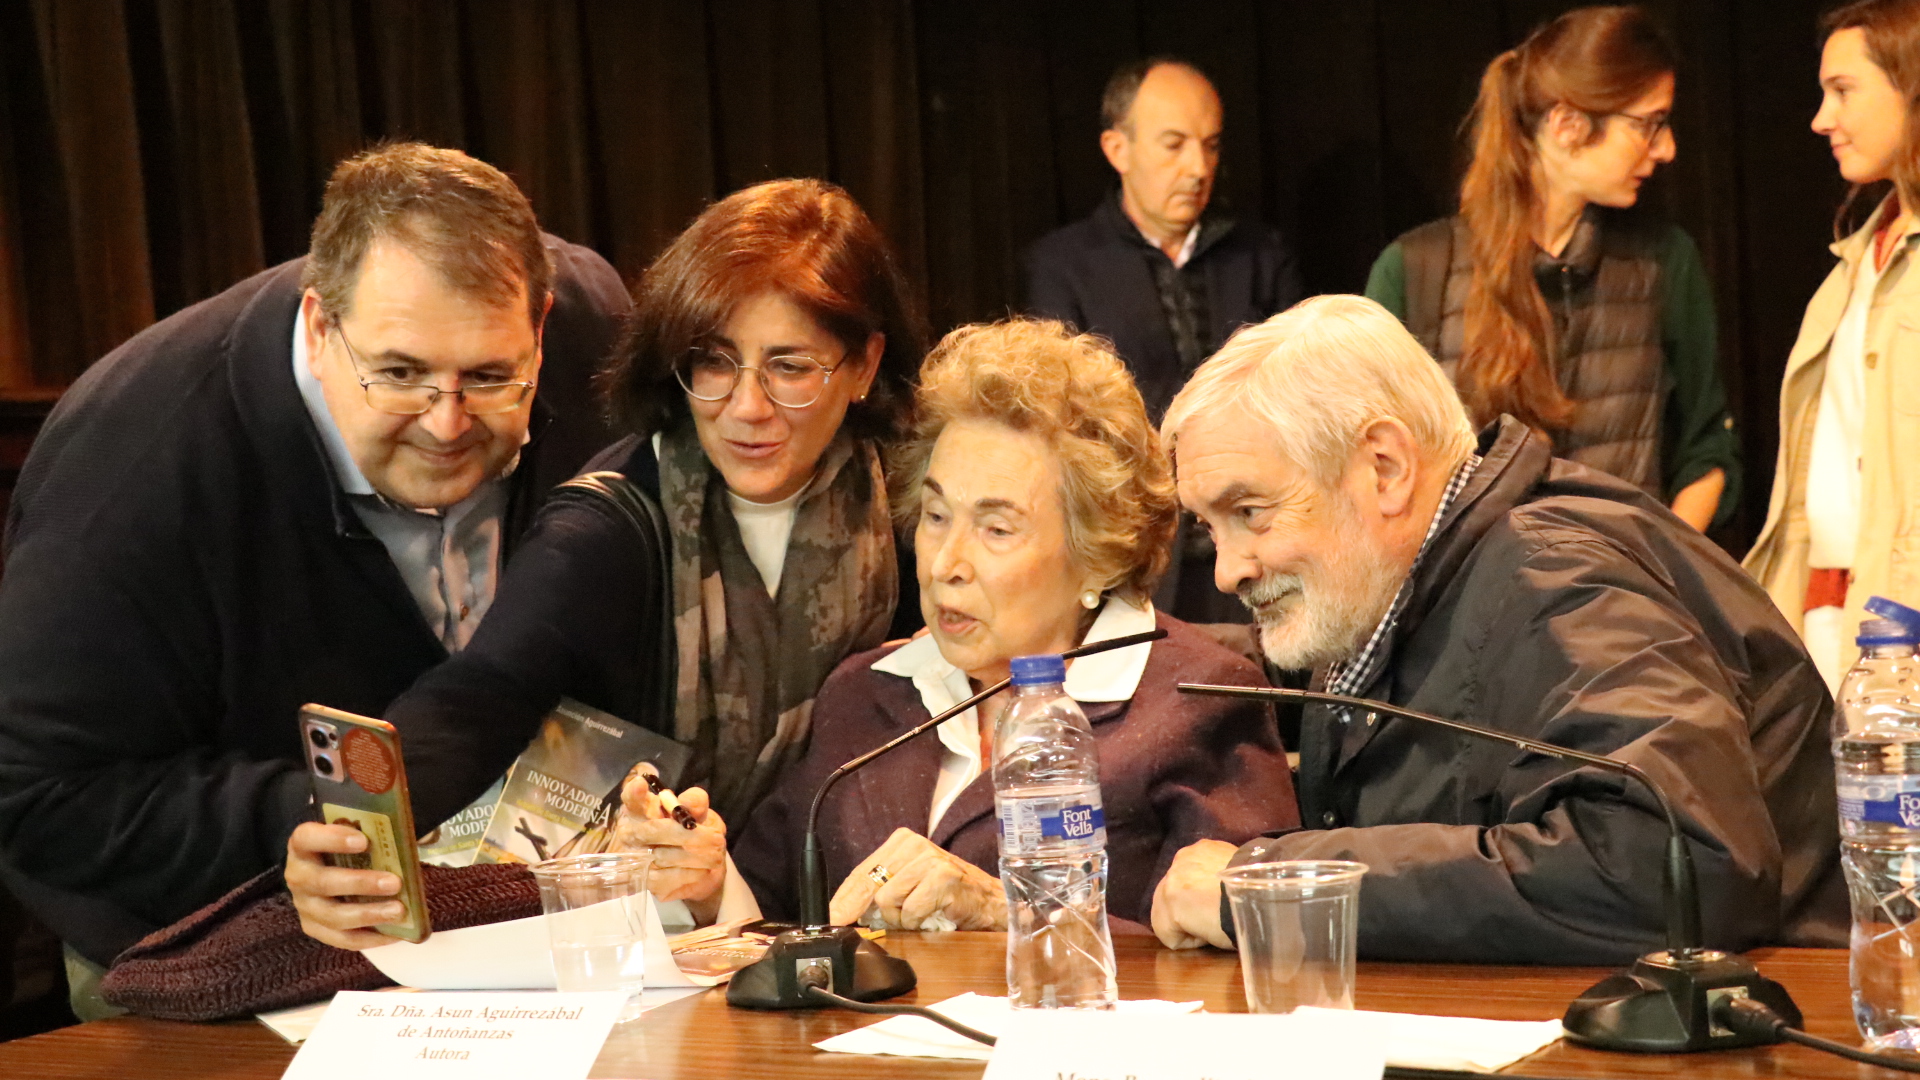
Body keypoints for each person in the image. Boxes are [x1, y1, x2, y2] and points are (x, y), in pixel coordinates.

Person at [0, 143, 629, 996]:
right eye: (400, 375)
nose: (446, 425)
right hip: (207, 944)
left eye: (488, 378)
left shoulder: (600, 331)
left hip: (517, 918)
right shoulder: (134, 468)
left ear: (542, 323)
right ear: (321, 324)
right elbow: (34, 795)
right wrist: (311, 822)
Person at [287, 178, 926, 949]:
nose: (747, 407)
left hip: (865, 918)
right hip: (635, 941)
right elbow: (471, 704)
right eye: (714, 362)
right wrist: (343, 840)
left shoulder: (910, 501)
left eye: (789, 367)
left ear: (862, 367)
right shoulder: (604, 532)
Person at [1149, 295, 1842, 964]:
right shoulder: (1378, 594)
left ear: (1384, 468)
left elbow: (1674, 860)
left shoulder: (1558, 578)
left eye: (1251, 511)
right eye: (1212, 529)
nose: (1228, 570)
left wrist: (1279, 884)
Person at [730, 319, 1298, 930]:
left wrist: (1013, 915)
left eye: (996, 529)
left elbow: (1241, 950)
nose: (947, 564)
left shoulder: (1199, 703)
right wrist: (708, 880)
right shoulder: (863, 694)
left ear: (1097, 553)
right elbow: (773, 918)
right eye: (937, 515)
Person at [1364, 5, 1739, 534]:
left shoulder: (1663, 262)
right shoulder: (1414, 271)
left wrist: (1660, 572)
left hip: (1624, 601)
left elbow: (1707, 449)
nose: (1667, 148)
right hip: (1467, 608)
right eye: (1648, 125)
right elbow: (1370, 471)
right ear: (1566, 125)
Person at [1025, 57, 1302, 624]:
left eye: (1211, 145)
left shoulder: (1260, 255)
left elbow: (1300, 390)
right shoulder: (1064, 266)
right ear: (1116, 148)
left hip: (1259, 536)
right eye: (1174, 145)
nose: (1198, 168)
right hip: (1138, 556)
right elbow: (1064, 427)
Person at [1747, 0, 1920, 692]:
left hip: (1896, 631)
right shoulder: (1856, 261)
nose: (1822, 118)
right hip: (1825, 612)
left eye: (1843, 91)